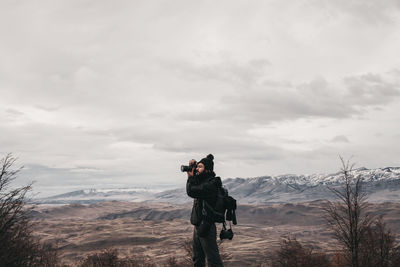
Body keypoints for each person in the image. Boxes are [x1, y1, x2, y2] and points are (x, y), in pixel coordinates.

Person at [186, 154, 224, 267]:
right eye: (197, 167)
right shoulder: (203, 181)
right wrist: (192, 167)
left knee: (213, 259)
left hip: (206, 225)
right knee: (198, 258)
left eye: (200, 167)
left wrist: (191, 177)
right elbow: (197, 183)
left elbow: (191, 191)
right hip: (198, 224)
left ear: (207, 169)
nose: (197, 169)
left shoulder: (211, 184)